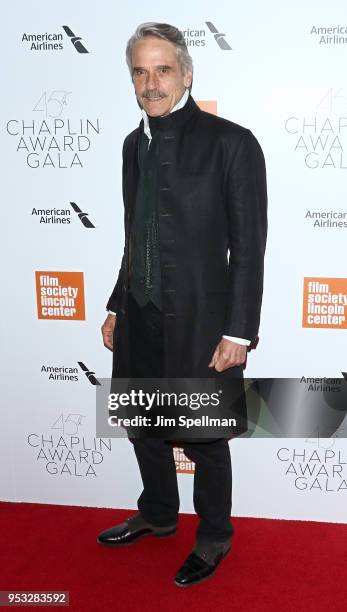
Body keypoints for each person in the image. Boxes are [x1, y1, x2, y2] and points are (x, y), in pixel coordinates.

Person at [97, 22, 267, 587]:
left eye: (162, 69)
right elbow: (134, 232)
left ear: (187, 73)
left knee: (205, 434)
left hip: (203, 320)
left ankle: (214, 534)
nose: (151, 82)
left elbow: (248, 246)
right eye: (140, 72)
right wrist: (119, 305)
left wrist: (238, 332)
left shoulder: (232, 142)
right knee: (144, 423)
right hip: (141, 314)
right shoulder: (130, 146)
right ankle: (159, 514)